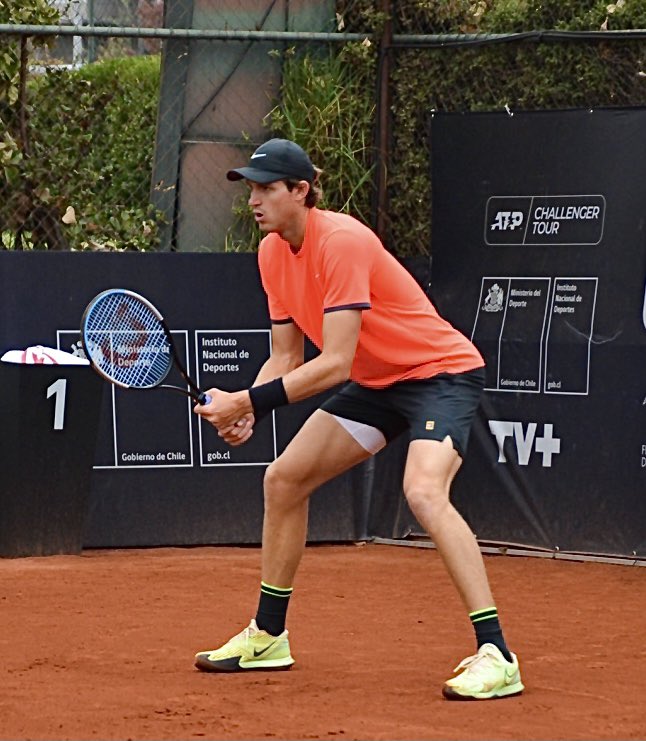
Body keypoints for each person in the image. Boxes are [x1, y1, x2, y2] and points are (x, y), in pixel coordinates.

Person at [192, 138, 524, 700]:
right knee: (284, 479)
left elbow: (336, 362)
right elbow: (287, 357)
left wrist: (247, 402)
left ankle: (497, 652)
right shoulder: (272, 253)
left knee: (423, 492)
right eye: (250, 189)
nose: (254, 200)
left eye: (267, 188)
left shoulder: (341, 241)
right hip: (378, 386)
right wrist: (247, 404)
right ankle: (269, 636)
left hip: (437, 375)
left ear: (301, 191)